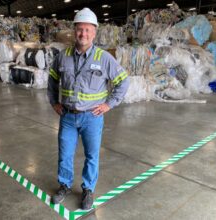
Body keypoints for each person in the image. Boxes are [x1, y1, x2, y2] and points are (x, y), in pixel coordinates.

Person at [47, 7, 129, 210]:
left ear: (94, 32)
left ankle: (88, 189)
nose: (83, 34)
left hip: (92, 117)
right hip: (67, 116)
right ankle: (64, 185)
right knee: (65, 153)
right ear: (74, 31)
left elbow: (123, 82)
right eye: (79, 29)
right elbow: (52, 80)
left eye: (88, 30)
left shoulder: (104, 58)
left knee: (92, 155)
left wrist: (109, 104)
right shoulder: (62, 56)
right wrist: (54, 102)